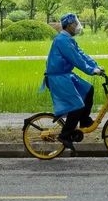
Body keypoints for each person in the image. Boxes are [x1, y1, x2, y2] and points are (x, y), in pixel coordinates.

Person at [41, 13, 103, 150]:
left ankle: (84, 120)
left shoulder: (68, 39)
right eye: (75, 24)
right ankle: (65, 135)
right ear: (69, 25)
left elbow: (82, 55)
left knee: (88, 89)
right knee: (77, 105)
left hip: (66, 75)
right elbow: (76, 59)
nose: (77, 26)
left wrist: (96, 66)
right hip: (58, 78)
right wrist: (91, 70)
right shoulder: (62, 40)